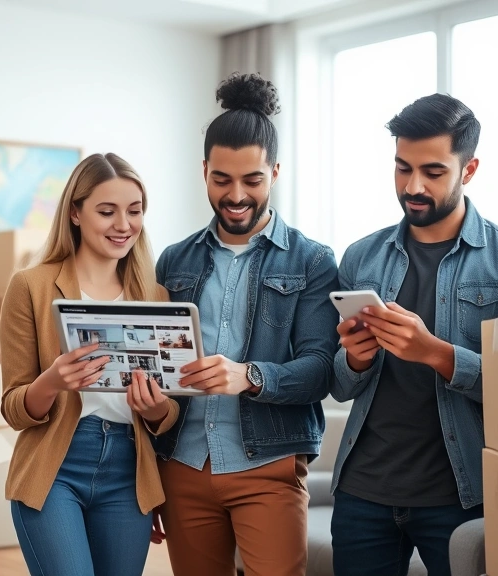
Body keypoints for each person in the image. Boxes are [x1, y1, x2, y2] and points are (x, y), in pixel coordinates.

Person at [329, 93, 498, 576]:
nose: (413, 185)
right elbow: (340, 385)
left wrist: (436, 353)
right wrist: (356, 360)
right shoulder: (361, 257)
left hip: (461, 494)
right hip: (363, 492)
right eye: (402, 168)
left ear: (468, 170)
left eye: (432, 171)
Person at [152, 72, 341, 576]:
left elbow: (322, 369)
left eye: (252, 180)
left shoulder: (313, 261)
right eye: (222, 179)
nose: (236, 195)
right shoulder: (173, 261)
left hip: (268, 467)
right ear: (204, 171)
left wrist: (249, 376)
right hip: (182, 466)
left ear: (275, 172)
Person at [0, 152, 180, 576]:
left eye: (134, 211)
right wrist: (52, 381)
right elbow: (12, 406)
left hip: (128, 471)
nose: (123, 225)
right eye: (107, 211)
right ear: (75, 213)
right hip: (55, 468)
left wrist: (156, 410)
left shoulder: (155, 298)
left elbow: (169, 411)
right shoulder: (31, 286)